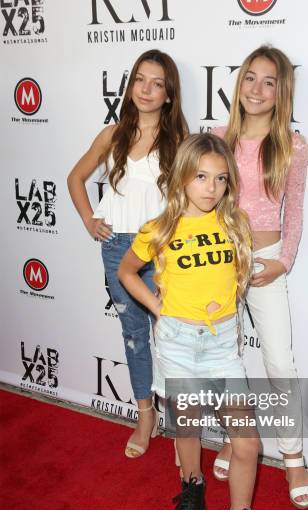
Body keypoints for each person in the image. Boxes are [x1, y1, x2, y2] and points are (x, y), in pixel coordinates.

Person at [118, 133, 277, 510]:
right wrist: (156, 306)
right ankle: (193, 491)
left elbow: (245, 269)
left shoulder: (236, 224)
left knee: (247, 443)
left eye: (221, 179)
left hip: (223, 344)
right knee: (185, 426)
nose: (211, 187)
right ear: (182, 176)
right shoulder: (160, 228)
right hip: (177, 342)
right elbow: (127, 271)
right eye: (201, 176)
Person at [67, 50, 188, 459]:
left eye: (157, 83)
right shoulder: (112, 134)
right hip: (119, 248)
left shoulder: (179, 141)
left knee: (172, 336)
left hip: (163, 249)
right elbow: (76, 177)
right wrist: (89, 219)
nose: (147, 90)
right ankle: (144, 415)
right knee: (134, 337)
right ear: (131, 85)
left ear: (169, 93)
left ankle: (180, 427)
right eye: (140, 80)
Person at [212, 45, 308, 510]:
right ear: (239, 83)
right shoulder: (217, 138)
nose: (256, 89)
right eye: (249, 78)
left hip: (267, 260)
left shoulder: (292, 145)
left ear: (281, 92)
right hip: (220, 260)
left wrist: (284, 262)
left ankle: (293, 455)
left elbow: (294, 212)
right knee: (227, 361)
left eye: (268, 81)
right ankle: (238, 438)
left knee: (278, 362)